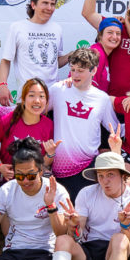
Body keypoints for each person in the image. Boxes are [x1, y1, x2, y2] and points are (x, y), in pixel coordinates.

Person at [47, 48, 119, 199]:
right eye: (72, 70)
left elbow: (116, 129)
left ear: (93, 71)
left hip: (88, 169)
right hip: (59, 169)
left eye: (80, 70)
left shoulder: (102, 98)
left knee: (84, 218)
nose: (75, 75)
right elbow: (33, 110)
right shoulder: (58, 90)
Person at [0, 0, 72, 106]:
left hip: (53, 100)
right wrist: (2, 85)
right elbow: (6, 60)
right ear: (33, 5)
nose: (49, 8)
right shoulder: (17, 27)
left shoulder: (57, 29)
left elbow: (55, 63)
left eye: (52, 4)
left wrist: (71, 55)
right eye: (45, 3)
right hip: (27, 98)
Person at [0, 78, 57, 182]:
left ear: (46, 101)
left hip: (34, 184)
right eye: (31, 95)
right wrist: (0, 166)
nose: (37, 101)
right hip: (8, 184)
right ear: (23, 99)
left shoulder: (49, 125)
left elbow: (45, 162)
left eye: (41, 96)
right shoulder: (6, 121)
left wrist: (50, 154)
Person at [91, 17, 123, 92]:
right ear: (100, 35)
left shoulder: (104, 54)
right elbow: (88, 90)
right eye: (110, 32)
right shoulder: (97, 53)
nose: (114, 37)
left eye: (118, 33)